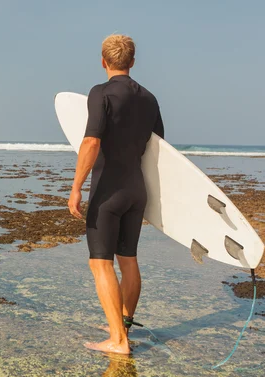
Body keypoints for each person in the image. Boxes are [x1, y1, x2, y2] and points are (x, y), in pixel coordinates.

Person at [68, 34, 164, 354]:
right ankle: (122, 324)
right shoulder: (150, 98)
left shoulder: (100, 93)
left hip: (108, 192)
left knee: (100, 264)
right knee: (129, 260)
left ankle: (118, 341)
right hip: (137, 190)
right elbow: (157, 149)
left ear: (103, 61)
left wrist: (76, 187)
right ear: (132, 63)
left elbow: (91, 141)